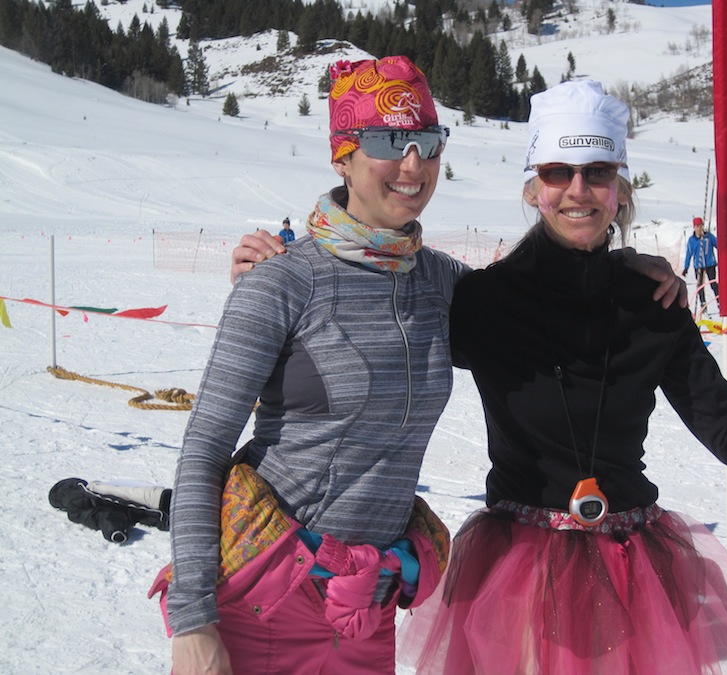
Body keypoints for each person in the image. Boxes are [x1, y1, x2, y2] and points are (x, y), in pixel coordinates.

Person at [161, 58, 681, 675]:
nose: (413, 165)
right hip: (268, 592)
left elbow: (536, 297)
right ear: (343, 156)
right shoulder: (281, 284)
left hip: (367, 602)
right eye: (387, 142)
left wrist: (622, 268)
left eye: (427, 143)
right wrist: (193, 620)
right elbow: (203, 451)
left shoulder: (440, 284)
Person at [391, 81, 727, 674]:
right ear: (532, 187)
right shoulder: (483, 303)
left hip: (632, 578)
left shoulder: (655, 304)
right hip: (516, 583)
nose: (578, 190)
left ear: (621, 189)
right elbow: (374, 329)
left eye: (598, 172)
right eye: (557, 172)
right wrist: (284, 271)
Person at [683, 215, 719, 310]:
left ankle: (719, 301)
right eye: (698, 226)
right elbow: (688, 254)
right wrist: (686, 267)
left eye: (701, 226)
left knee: (713, 284)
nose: (700, 228)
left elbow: (718, 245)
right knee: (700, 286)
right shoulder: (692, 240)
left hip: (710, 264)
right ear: (694, 227)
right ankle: (703, 304)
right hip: (699, 266)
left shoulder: (708, 236)